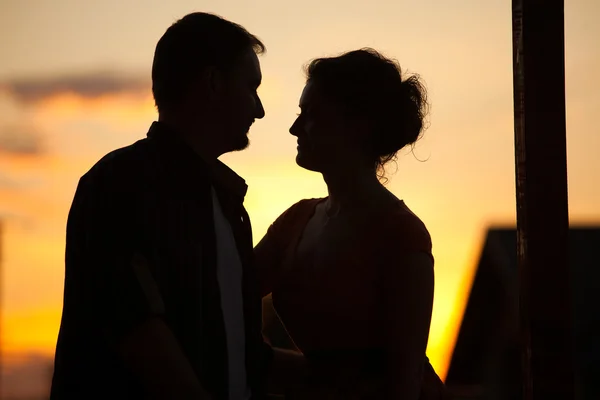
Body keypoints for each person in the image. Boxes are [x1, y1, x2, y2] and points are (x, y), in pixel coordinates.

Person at [50, 12, 271, 400]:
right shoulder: (119, 184)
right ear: (214, 83)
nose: (259, 109)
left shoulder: (228, 204)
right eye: (251, 87)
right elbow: (133, 327)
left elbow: (240, 353)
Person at [256, 48, 446, 399]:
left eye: (311, 114)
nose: (295, 127)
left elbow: (402, 383)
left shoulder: (401, 235)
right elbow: (224, 294)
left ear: (357, 125)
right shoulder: (296, 222)